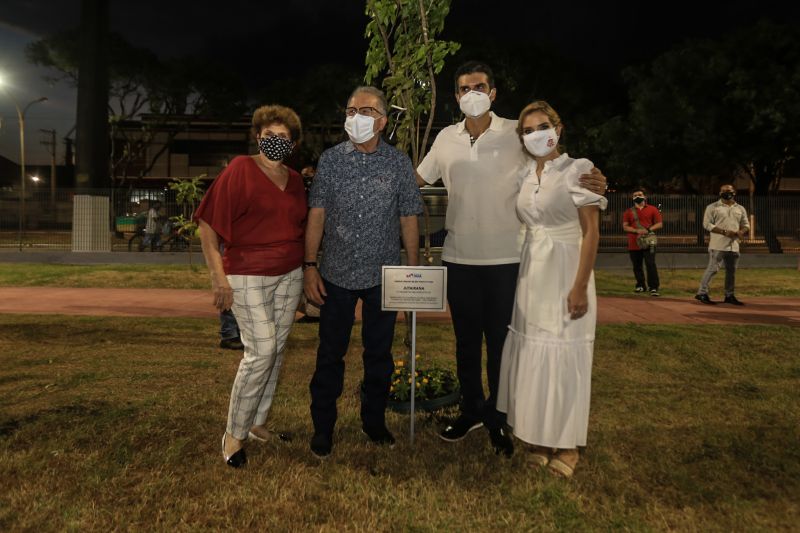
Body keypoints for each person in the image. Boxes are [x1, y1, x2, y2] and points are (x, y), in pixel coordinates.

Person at [415, 61, 607, 456]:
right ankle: (470, 410)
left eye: (480, 86)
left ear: (494, 92)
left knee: (502, 344)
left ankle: (498, 418)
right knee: (466, 343)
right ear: (455, 96)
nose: (473, 93)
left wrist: (598, 180)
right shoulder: (445, 139)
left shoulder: (516, 135)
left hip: (508, 259)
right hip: (459, 256)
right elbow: (414, 180)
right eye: (465, 88)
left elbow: (553, 168)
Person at [304, 86, 423, 458]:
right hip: (336, 274)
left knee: (379, 356)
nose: (355, 117)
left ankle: (374, 422)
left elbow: (408, 218)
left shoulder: (399, 163)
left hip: (383, 278)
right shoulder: (331, 160)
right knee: (329, 355)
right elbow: (317, 215)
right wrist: (310, 266)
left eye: (366, 111)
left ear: (383, 121)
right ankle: (323, 428)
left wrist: (412, 273)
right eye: (351, 109)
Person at [497, 100, 606, 478]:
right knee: (533, 351)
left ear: (558, 129)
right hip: (532, 272)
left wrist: (579, 286)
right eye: (527, 130)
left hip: (566, 268)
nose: (535, 134)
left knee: (564, 356)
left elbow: (591, 233)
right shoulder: (524, 175)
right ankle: (540, 438)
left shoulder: (579, 169)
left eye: (542, 126)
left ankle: (568, 446)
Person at [195, 104, 307, 468]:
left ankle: (258, 423)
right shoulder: (240, 169)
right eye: (269, 135)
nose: (275, 142)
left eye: (283, 137)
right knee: (261, 351)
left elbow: (299, 228)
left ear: (293, 144)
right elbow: (208, 226)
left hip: (289, 274)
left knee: (276, 352)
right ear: (258, 136)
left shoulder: (294, 179)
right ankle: (234, 433)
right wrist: (218, 277)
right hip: (247, 273)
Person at [695, 184, 750, 305]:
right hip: (718, 244)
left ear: (734, 192)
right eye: (724, 191)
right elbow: (707, 224)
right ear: (720, 193)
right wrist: (724, 232)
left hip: (734, 245)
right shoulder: (713, 207)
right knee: (713, 269)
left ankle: (729, 295)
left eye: (729, 191)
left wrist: (741, 231)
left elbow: (746, 224)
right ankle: (702, 293)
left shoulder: (740, 208)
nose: (727, 193)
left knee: (731, 272)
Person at [622, 188, 662, 296]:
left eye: (640, 194)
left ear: (645, 197)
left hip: (649, 242)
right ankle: (640, 285)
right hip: (634, 243)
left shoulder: (653, 209)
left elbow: (659, 224)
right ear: (632, 198)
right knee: (637, 266)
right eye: (635, 195)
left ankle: (653, 287)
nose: (638, 196)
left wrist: (648, 230)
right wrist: (636, 230)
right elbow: (625, 227)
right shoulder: (628, 212)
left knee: (651, 264)